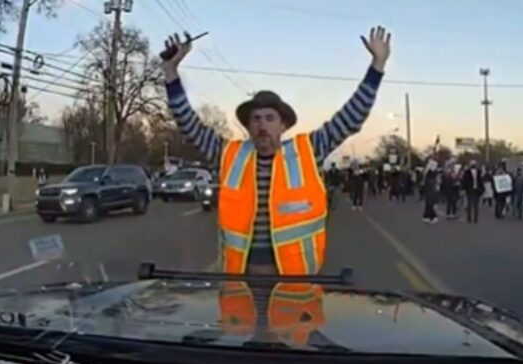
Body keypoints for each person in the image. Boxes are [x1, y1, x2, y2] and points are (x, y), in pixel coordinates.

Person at [161, 26, 392, 275]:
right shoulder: (229, 154)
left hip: (296, 281)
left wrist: (377, 65)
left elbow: (351, 117)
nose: (262, 125)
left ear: (283, 125)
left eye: (270, 118)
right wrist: (171, 72)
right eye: (256, 119)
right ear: (248, 126)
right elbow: (188, 124)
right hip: (240, 279)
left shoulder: (308, 150)